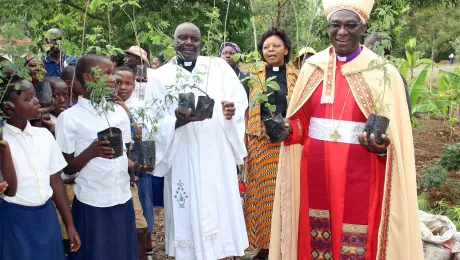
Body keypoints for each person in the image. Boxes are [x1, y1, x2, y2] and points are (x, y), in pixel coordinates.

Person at [268, 1, 423, 259]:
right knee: (316, 239)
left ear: (362, 28)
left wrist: (384, 149)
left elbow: (396, 140)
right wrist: (286, 129)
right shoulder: (312, 68)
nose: (342, 32)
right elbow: (302, 124)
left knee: (357, 241)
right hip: (316, 172)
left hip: (362, 172)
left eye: (350, 25)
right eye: (335, 25)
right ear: (327, 28)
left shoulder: (383, 73)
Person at [144, 22, 248, 260]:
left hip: (215, 150)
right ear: (174, 41)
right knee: (186, 207)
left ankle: (220, 253)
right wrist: (177, 122)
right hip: (181, 153)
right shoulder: (160, 77)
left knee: (218, 202)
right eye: (183, 38)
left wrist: (232, 110)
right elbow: (151, 120)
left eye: (194, 39)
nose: (189, 43)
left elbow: (238, 101)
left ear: (201, 42)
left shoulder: (219, 67)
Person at [55, 54, 141, 260]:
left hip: (122, 199)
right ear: (88, 77)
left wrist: (135, 166)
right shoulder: (70, 118)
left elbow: (122, 155)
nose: (114, 79)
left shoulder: (118, 113)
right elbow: (67, 169)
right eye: (107, 74)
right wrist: (91, 152)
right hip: (92, 203)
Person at [0, 76, 81, 259]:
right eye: (28, 98)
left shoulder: (44, 136)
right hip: (14, 219)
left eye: (35, 96)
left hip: (46, 217)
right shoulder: (3, 141)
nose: (37, 102)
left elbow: (55, 181)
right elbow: (9, 189)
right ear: (8, 108)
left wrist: (69, 224)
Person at [243, 27, 298, 260]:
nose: (270, 50)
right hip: (260, 144)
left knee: (287, 192)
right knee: (263, 196)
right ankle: (265, 248)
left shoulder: (298, 76)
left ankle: (288, 246)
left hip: (289, 143)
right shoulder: (253, 75)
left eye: (276, 46)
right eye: (266, 47)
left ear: (286, 49)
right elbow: (245, 109)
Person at [114, 66, 154, 260]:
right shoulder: (107, 106)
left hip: (138, 163)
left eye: (128, 83)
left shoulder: (140, 105)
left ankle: (147, 247)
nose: (123, 87)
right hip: (118, 166)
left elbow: (141, 135)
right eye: (118, 82)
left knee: (143, 206)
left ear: (135, 84)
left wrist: (125, 108)